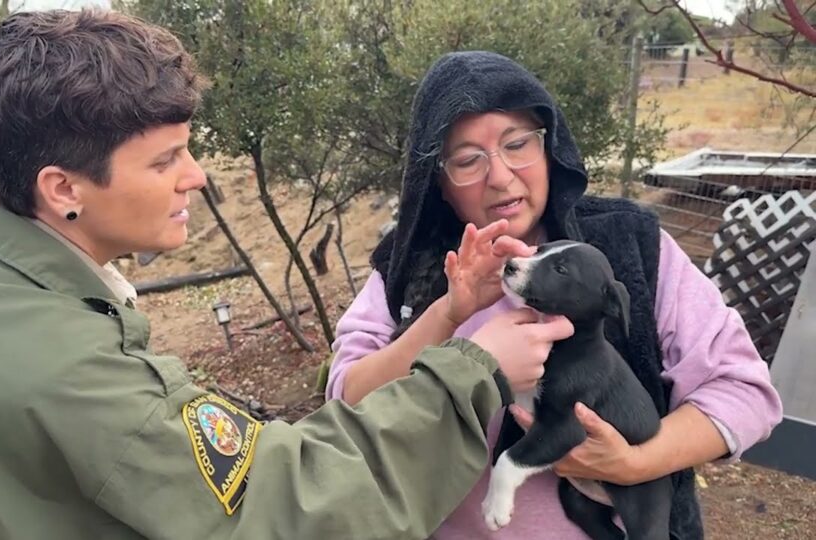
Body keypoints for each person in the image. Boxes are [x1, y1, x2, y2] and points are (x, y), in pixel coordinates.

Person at [0, 11, 578, 540]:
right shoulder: (66, 368)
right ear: (63, 190)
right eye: (164, 159)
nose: (196, 177)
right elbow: (300, 506)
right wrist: (476, 368)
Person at [326, 50, 783, 539]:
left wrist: (633, 462)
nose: (500, 176)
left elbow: (744, 392)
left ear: (550, 147)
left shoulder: (627, 247)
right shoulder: (411, 266)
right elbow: (346, 399)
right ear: (437, 182)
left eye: (517, 144)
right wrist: (450, 323)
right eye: (467, 160)